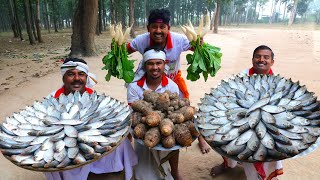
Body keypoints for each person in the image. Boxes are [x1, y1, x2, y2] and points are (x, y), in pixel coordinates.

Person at [127, 8, 211, 154]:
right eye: (154, 27)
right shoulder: (141, 40)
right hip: (146, 75)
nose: (158, 31)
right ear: (148, 28)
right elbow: (125, 50)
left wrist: (200, 44)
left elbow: (197, 48)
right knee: (135, 111)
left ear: (168, 28)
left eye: (162, 27)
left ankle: (201, 138)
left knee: (186, 109)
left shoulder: (179, 40)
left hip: (172, 78)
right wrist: (116, 48)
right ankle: (129, 140)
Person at [44, 57, 138, 180]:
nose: (77, 78)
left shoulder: (95, 97)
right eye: (71, 74)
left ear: (86, 77)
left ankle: (111, 171)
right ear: (63, 78)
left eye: (81, 74)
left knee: (121, 142)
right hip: (64, 141)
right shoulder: (51, 100)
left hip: (91, 139)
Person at [211, 45, 283, 180]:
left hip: (267, 125)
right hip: (242, 121)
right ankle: (228, 163)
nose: (261, 60)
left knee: (273, 145)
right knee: (224, 135)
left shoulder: (279, 83)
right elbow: (228, 99)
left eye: (266, 57)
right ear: (252, 59)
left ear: (272, 62)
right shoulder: (241, 77)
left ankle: (266, 175)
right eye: (258, 56)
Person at [127, 47, 182, 180]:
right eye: (150, 63)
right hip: (143, 126)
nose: (155, 67)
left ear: (164, 65)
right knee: (143, 174)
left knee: (173, 137)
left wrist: (166, 121)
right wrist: (150, 118)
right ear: (145, 65)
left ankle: (174, 171)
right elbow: (134, 113)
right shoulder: (134, 87)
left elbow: (176, 110)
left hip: (167, 123)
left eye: (159, 63)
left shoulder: (172, 86)